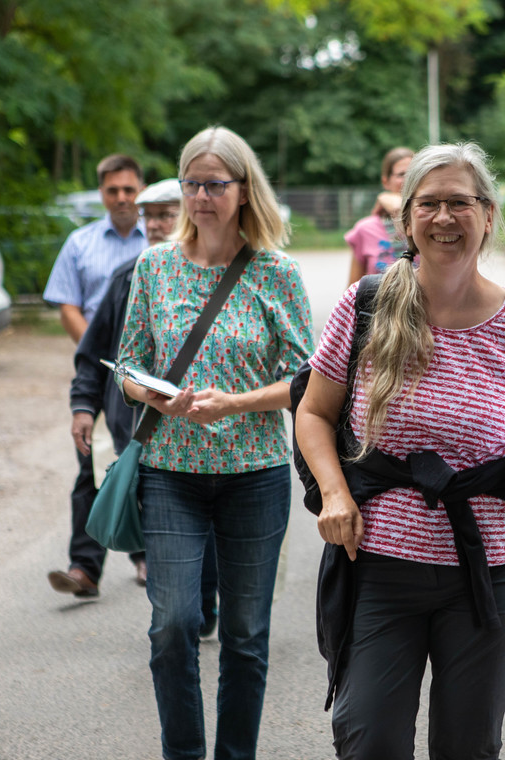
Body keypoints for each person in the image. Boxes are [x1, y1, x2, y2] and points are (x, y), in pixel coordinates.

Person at [297, 142, 505, 759]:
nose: (444, 218)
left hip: (492, 571)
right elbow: (314, 412)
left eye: (460, 202)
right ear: (406, 220)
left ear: (487, 215)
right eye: (428, 204)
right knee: (368, 738)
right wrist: (334, 493)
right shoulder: (367, 306)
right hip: (378, 562)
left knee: (467, 747)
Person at [114, 125, 314, 760]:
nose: (201, 196)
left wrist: (235, 403)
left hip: (255, 474)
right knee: (173, 624)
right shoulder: (153, 267)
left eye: (214, 184)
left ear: (244, 190)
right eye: (191, 183)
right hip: (170, 472)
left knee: (247, 635)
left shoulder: (276, 273)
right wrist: (155, 395)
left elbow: (310, 380)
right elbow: (126, 365)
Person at [68, 178, 220, 636]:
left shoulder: (220, 274)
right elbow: (95, 355)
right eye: (149, 216)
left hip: (209, 435)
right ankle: (91, 568)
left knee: (208, 527)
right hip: (136, 431)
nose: (155, 225)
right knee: (98, 484)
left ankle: (202, 602)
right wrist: (82, 406)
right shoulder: (128, 278)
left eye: (165, 214)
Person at [45, 154, 148, 597]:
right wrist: (100, 352)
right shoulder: (80, 243)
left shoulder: (162, 241)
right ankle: (84, 568)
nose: (123, 198)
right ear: (101, 193)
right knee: (92, 464)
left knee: (143, 462)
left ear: (141, 189)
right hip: (105, 369)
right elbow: (67, 303)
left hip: (155, 375)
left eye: (130, 189)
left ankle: (147, 554)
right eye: (113, 190)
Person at [345, 146, 414, 285]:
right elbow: (353, 292)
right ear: (385, 182)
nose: (408, 180)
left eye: (413, 174)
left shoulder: (430, 223)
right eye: (401, 174)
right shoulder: (365, 229)